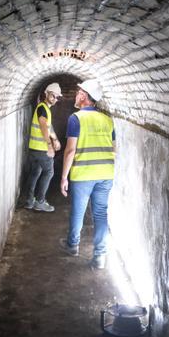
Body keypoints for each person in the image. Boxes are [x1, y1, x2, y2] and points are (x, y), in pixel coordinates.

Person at [59, 79, 115, 269]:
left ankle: (73, 245)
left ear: (84, 96)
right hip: (106, 173)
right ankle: (100, 257)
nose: (76, 95)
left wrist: (63, 177)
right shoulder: (108, 120)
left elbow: (70, 150)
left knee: (78, 211)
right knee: (100, 214)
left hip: (83, 174)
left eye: (78, 92)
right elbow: (114, 149)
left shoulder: (76, 118)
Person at [25, 83, 63, 211]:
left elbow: (48, 126)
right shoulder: (43, 108)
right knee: (49, 171)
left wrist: (55, 138)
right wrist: (49, 146)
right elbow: (42, 126)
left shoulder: (45, 109)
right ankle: (40, 201)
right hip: (41, 148)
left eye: (57, 97)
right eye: (53, 96)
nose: (55, 99)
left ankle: (29, 200)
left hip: (34, 148)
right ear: (46, 93)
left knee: (35, 172)